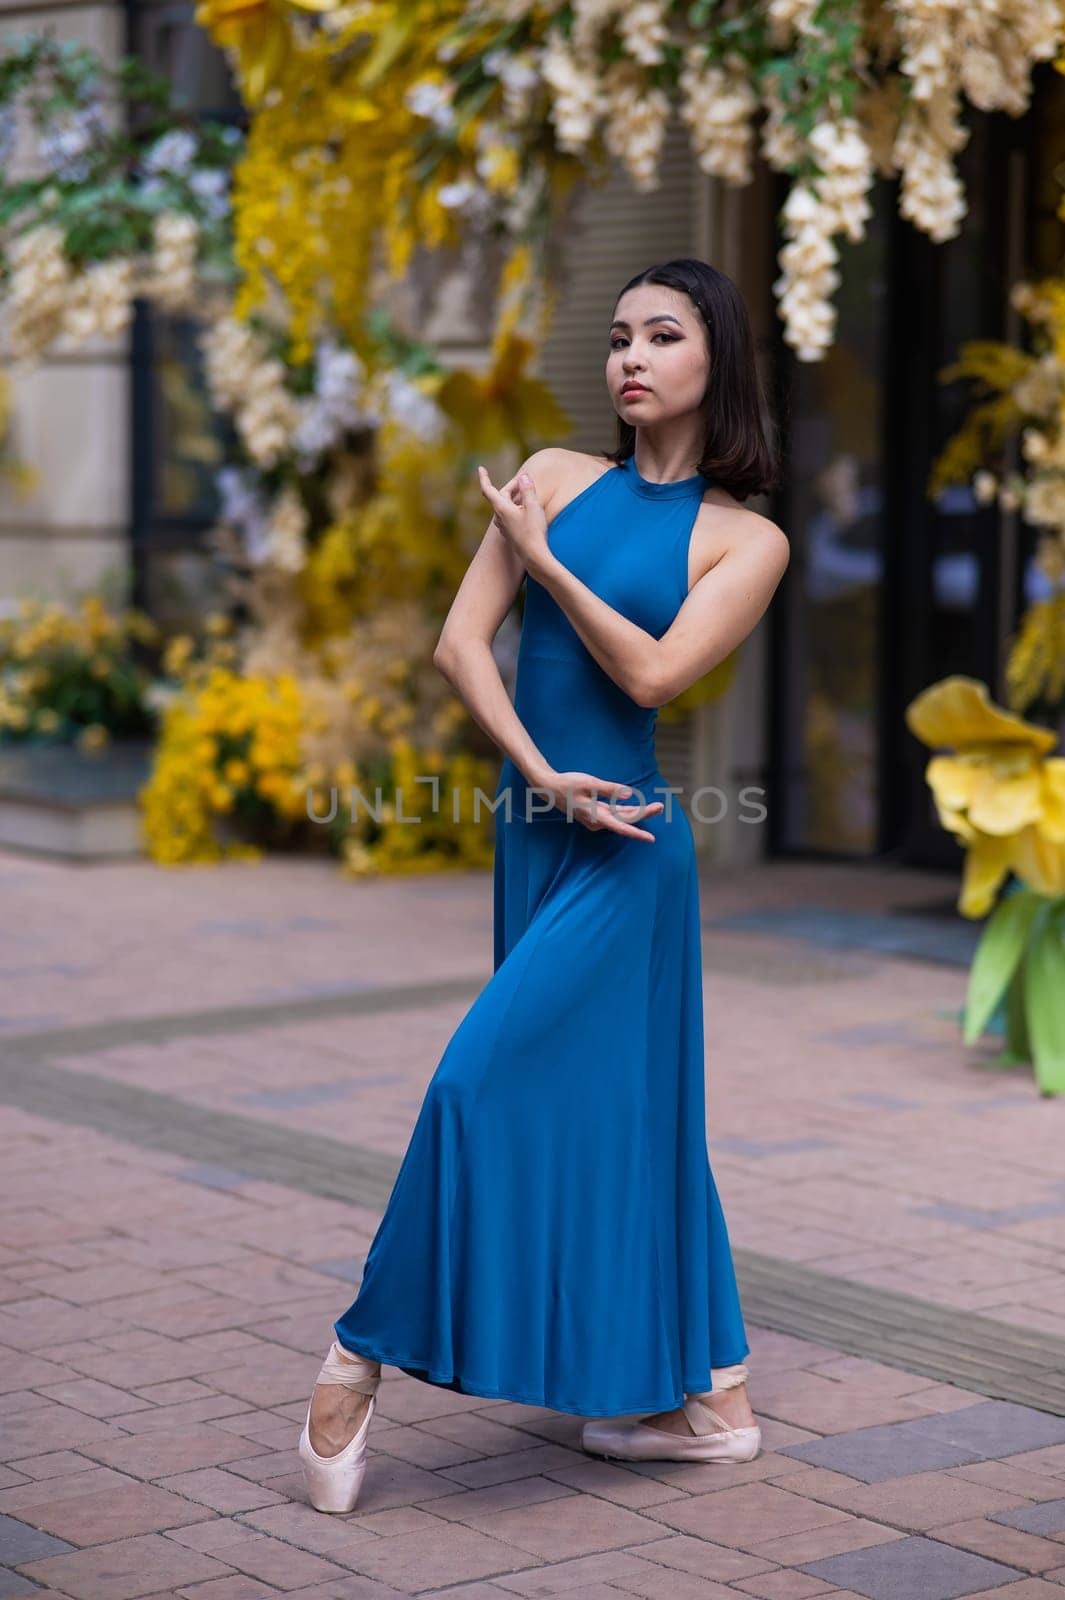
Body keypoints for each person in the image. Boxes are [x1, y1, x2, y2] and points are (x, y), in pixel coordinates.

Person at [299, 257, 790, 1514]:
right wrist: (539, 776)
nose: (629, 354)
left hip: (630, 854)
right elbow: (460, 643)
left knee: (481, 1080)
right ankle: (716, 1400)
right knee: (632, 1110)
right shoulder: (557, 473)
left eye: (662, 335)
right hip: (545, 824)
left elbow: (653, 677)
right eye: (619, 334)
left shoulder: (749, 539)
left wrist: (547, 563)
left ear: (713, 364)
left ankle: (356, 1355)